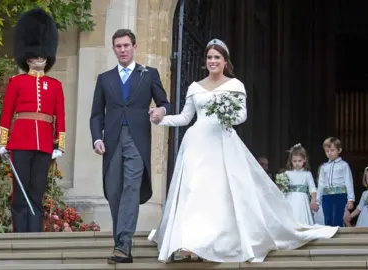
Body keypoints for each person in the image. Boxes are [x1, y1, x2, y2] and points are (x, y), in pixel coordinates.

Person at [147, 39, 338, 263]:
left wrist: (226, 114)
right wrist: (161, 119)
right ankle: (189, 242)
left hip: (222, 143)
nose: (212, 61)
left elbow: (242, 115)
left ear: (225, 61)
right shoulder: (195, 87)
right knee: (193, 189)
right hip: (196, 143)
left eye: (217, 57)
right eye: (209, 57)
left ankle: (208, 241)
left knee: (217, 193)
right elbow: (186, 117)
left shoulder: (235, 85)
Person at [89, 29, 171, 264]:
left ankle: (122, 244)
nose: (123, 50)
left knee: (131, 189)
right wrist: (97, 138)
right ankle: (122, 243)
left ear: (134, 47)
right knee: (114, 191)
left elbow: (165, 102)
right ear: (113, 49)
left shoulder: (149, 74)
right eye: (118, 46)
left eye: (126, 45)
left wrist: (160, 111)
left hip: (137, 140)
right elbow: (96, 115)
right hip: (112, 141)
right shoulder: (105, 79)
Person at [0, 8, 65, 233]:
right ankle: (19, 235)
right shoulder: (17, 82)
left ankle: (35, 236)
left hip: (44, 143)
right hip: (20, 141)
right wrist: (2, 141)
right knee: (20, 191)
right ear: (28, 58)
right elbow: (6, 113)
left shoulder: (55, 85)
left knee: (37, 191)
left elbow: (60, 116)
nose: (40, 60)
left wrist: (59, 144)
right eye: (36, 56)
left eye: (43, 56)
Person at [316, 137, 355, 226]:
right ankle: (329, 238)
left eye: (332, 150)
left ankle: (338, 238)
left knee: (337, 218)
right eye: (327, 151)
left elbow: (349, 182)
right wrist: (318, 201)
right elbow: (321, 184)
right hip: (326, 196)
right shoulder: (324, 167)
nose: (329, 153)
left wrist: (351, 199)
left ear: (339, 150)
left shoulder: (344, 165)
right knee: (327, 218)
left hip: (340, 195)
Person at [283, 143, 318, 225]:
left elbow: (312, 189)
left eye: (299, 161)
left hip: (302, 200)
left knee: (301, 218)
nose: (297, 163)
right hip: (290, 198)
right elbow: (283, 189)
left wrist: (313, 201)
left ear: (304, 159)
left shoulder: (307, 174)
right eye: (294, 161)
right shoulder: (287, 173)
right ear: (291, 161)